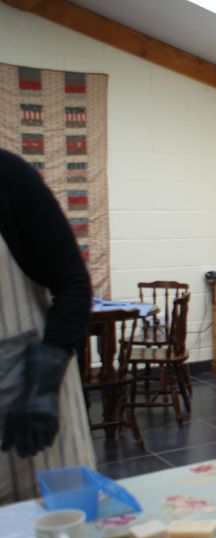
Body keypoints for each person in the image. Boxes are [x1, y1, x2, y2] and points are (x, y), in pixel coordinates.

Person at [0, 148, 96, 504]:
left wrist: (41, 390)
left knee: (51, 532)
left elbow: (73, 285)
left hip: (28, 394)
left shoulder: (7, 176)